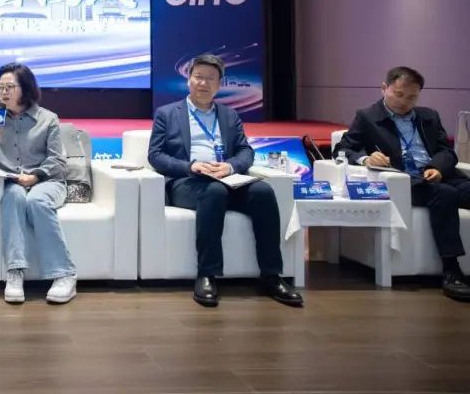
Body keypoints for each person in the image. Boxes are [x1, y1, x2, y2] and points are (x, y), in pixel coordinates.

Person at [148, 54, 302, 308]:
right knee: (214, 193)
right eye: (198, 77)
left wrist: (230, 166)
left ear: (220, 84)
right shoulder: (167, 113)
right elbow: (155, 155)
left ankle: (272, 275)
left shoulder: (230, 115)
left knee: (263, 192)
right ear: (188, 80)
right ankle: (207, 274)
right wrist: (191, 166)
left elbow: (245, 152)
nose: (203, 83)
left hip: (227, 178)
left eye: (210, 78)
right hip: (188, 181)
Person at [336, 66, 470, 302]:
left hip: (437, 174)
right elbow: (343, 148)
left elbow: (446, 151)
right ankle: (451, 270)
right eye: (398, 94)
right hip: (405, 181)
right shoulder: (367, 117)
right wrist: (366, 159)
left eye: (411, 97)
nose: (404, 102)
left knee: (453, 189)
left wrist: (437, 167)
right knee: (445, 195)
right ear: (384, 88)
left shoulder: (429, 116)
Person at [0, 63, 77, 304]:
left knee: (36, 200)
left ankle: (64, 274)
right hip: (13, 181)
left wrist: (35, 176)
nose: (3, 92)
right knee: (13, 197)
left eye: (9, 87)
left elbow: (57, 160)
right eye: (0, 87)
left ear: (25, 88)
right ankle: (14, 272)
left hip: (47, 180)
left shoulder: (48, 119)